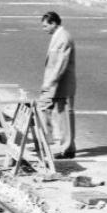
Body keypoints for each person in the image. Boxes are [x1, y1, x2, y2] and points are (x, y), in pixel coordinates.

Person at [37, 11, 76, 159]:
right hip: (54, 84)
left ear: (53, 23)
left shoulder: (63, 38)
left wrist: (49, 83)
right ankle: (49, 143)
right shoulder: (57, 36)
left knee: (62, 115)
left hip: (60, 84)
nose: (44, 29)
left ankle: (65, 148)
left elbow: (60, 64)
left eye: (45, 26)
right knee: (47, 110)